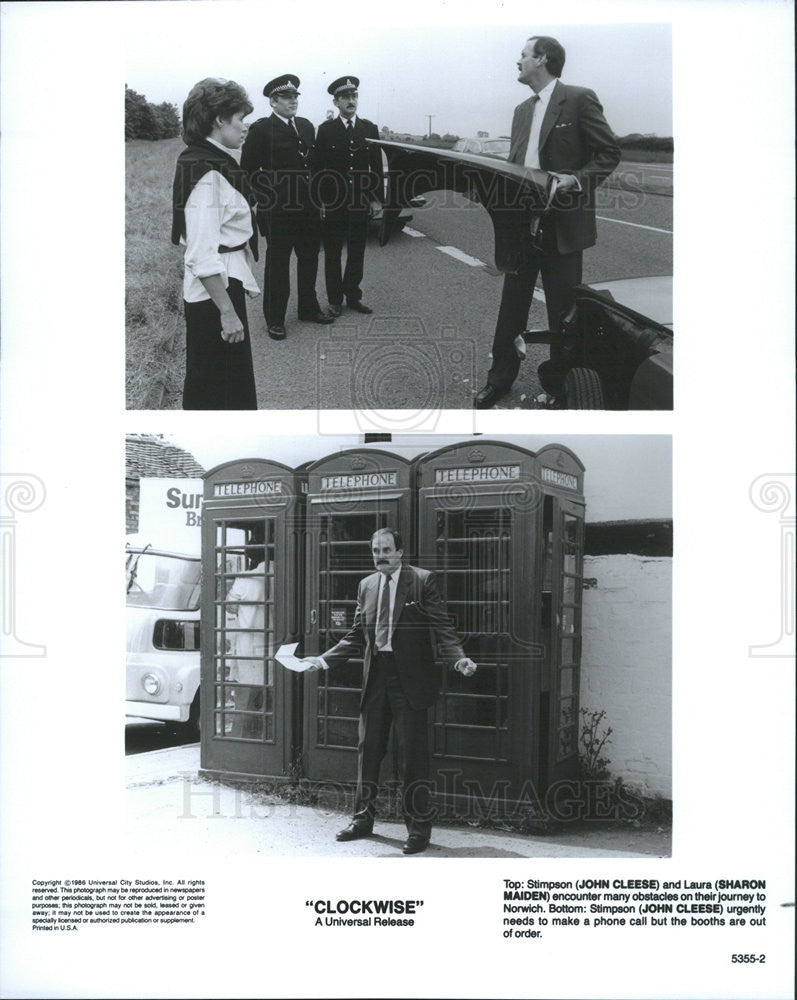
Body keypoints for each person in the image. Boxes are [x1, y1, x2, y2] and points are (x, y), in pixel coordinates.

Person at [305, 528, 477, 855]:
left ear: (400, 551)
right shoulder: (366, 585)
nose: (380, 555)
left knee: (412, 757)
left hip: (410, 680)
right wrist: (322, 661)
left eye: (386, 549)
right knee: (367, 750)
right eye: (375, 550)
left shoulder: (423, 581)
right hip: (376, 677)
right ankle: (362, 819)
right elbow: (357, 636)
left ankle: (418, 830)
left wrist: (459, 659)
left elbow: (443, 628)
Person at [474, 35, 621, 409]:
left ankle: (561, 386)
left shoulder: (578, 98)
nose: (517, 61)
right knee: (512, 307)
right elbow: (515, 166)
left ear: (542, 59)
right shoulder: (522, 110)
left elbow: (608, 152)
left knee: (563, 313)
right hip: (522, 225)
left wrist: (575, 180)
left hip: (563, 224)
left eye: (523, 55)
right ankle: (499, 379)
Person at [171, 78, 260, 410]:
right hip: (215, 295)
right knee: (219, 393)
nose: (245, 126)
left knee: (223, 388)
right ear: (219, 119)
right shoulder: (206, 171)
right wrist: (227, 312)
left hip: (221, 287)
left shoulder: (213, 160)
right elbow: (200, 253)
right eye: (240, 118)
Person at [241, 74, 334, 340]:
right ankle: (275, 318)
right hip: (279, 211)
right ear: (273, 102)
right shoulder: (261, 130)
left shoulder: (306, 127)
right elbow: (248, 170)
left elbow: (313, 166)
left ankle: (308, 308)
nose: (293, 101)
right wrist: (265, 198)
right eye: (286, 98)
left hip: (308, 208)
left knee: (309, 260)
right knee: (278, 265)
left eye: (295, 97)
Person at [311, 76, 383, 316]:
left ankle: (353, 296)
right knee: (332, 252)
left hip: (359, 202)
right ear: (336, 101)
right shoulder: (326, 130)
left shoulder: (369, 129)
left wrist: (375, 199)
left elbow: (375, 169)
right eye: (345, 97)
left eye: (354, 96)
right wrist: (320, 202)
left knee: (357, 251)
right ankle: (334, 300)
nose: (351, 101)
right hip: (334, 203)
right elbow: (318, 170)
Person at [226, 556, 269, 739]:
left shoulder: (247, 579)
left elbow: (229, 606)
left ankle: (240, 748)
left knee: (244, 707)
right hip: (277, 651)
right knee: (271, 708)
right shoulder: (287, 577)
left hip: (249, 652)